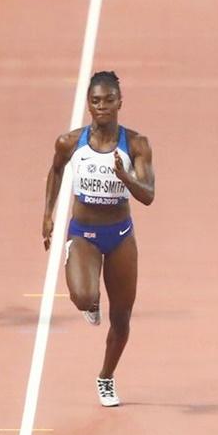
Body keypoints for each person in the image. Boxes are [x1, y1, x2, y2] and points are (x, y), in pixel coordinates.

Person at [42, 71, 154, 406]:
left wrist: (126, 177)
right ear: (88, 105)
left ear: (120, 102)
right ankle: (89, 301)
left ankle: (106, 377)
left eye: (108, 100)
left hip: (120, 235)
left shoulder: (136, 144)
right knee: (82, 296)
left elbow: (148, 195)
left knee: (121, 319)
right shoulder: (69, 142)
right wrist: (48, 214)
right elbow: (56, 170)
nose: (101, 106)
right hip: (84, 233)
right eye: (95, 101)